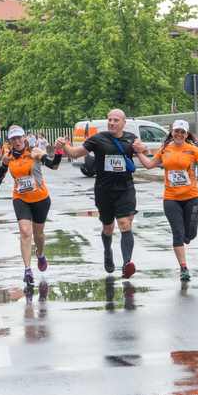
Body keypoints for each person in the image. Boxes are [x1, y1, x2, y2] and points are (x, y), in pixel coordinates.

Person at [56, 109, 138, 279]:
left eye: (116, 120)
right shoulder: (98, 139)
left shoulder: (131, 139)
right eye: (110, 120)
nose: (112, 123)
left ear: (124, 122)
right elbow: (75, 153)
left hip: (125, 189)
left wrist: (144, 150)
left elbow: (145, 155)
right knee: (108, 227)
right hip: (104, 191)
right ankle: (108, 252)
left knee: (124, 223)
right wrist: (64, 145)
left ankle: (126, 264)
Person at [132, 120, 198, 282]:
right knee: (177, 234)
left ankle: (187, 237)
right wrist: (138, 153)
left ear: (187, 134)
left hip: (192, 197)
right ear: (172, 132)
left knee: (190, 234)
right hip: (171, 199)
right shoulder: (165, 149)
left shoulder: (193, 150)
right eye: (176, 131)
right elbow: (149, 164)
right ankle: (183, 268)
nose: (179, 134)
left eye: (182, 132)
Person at [0, 125, 62, 285]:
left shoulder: (35, 152)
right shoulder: (8, 157)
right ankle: (27, 270)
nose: (16, 141)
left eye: (19, 137)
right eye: (13, 139)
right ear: (9, 141)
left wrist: (58, 150)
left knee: (39, 235)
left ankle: (41, 254)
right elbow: (2, 171)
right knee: (24, 232)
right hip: (20, 198)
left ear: (24, 138)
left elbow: (54, 165)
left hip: (41, 198)